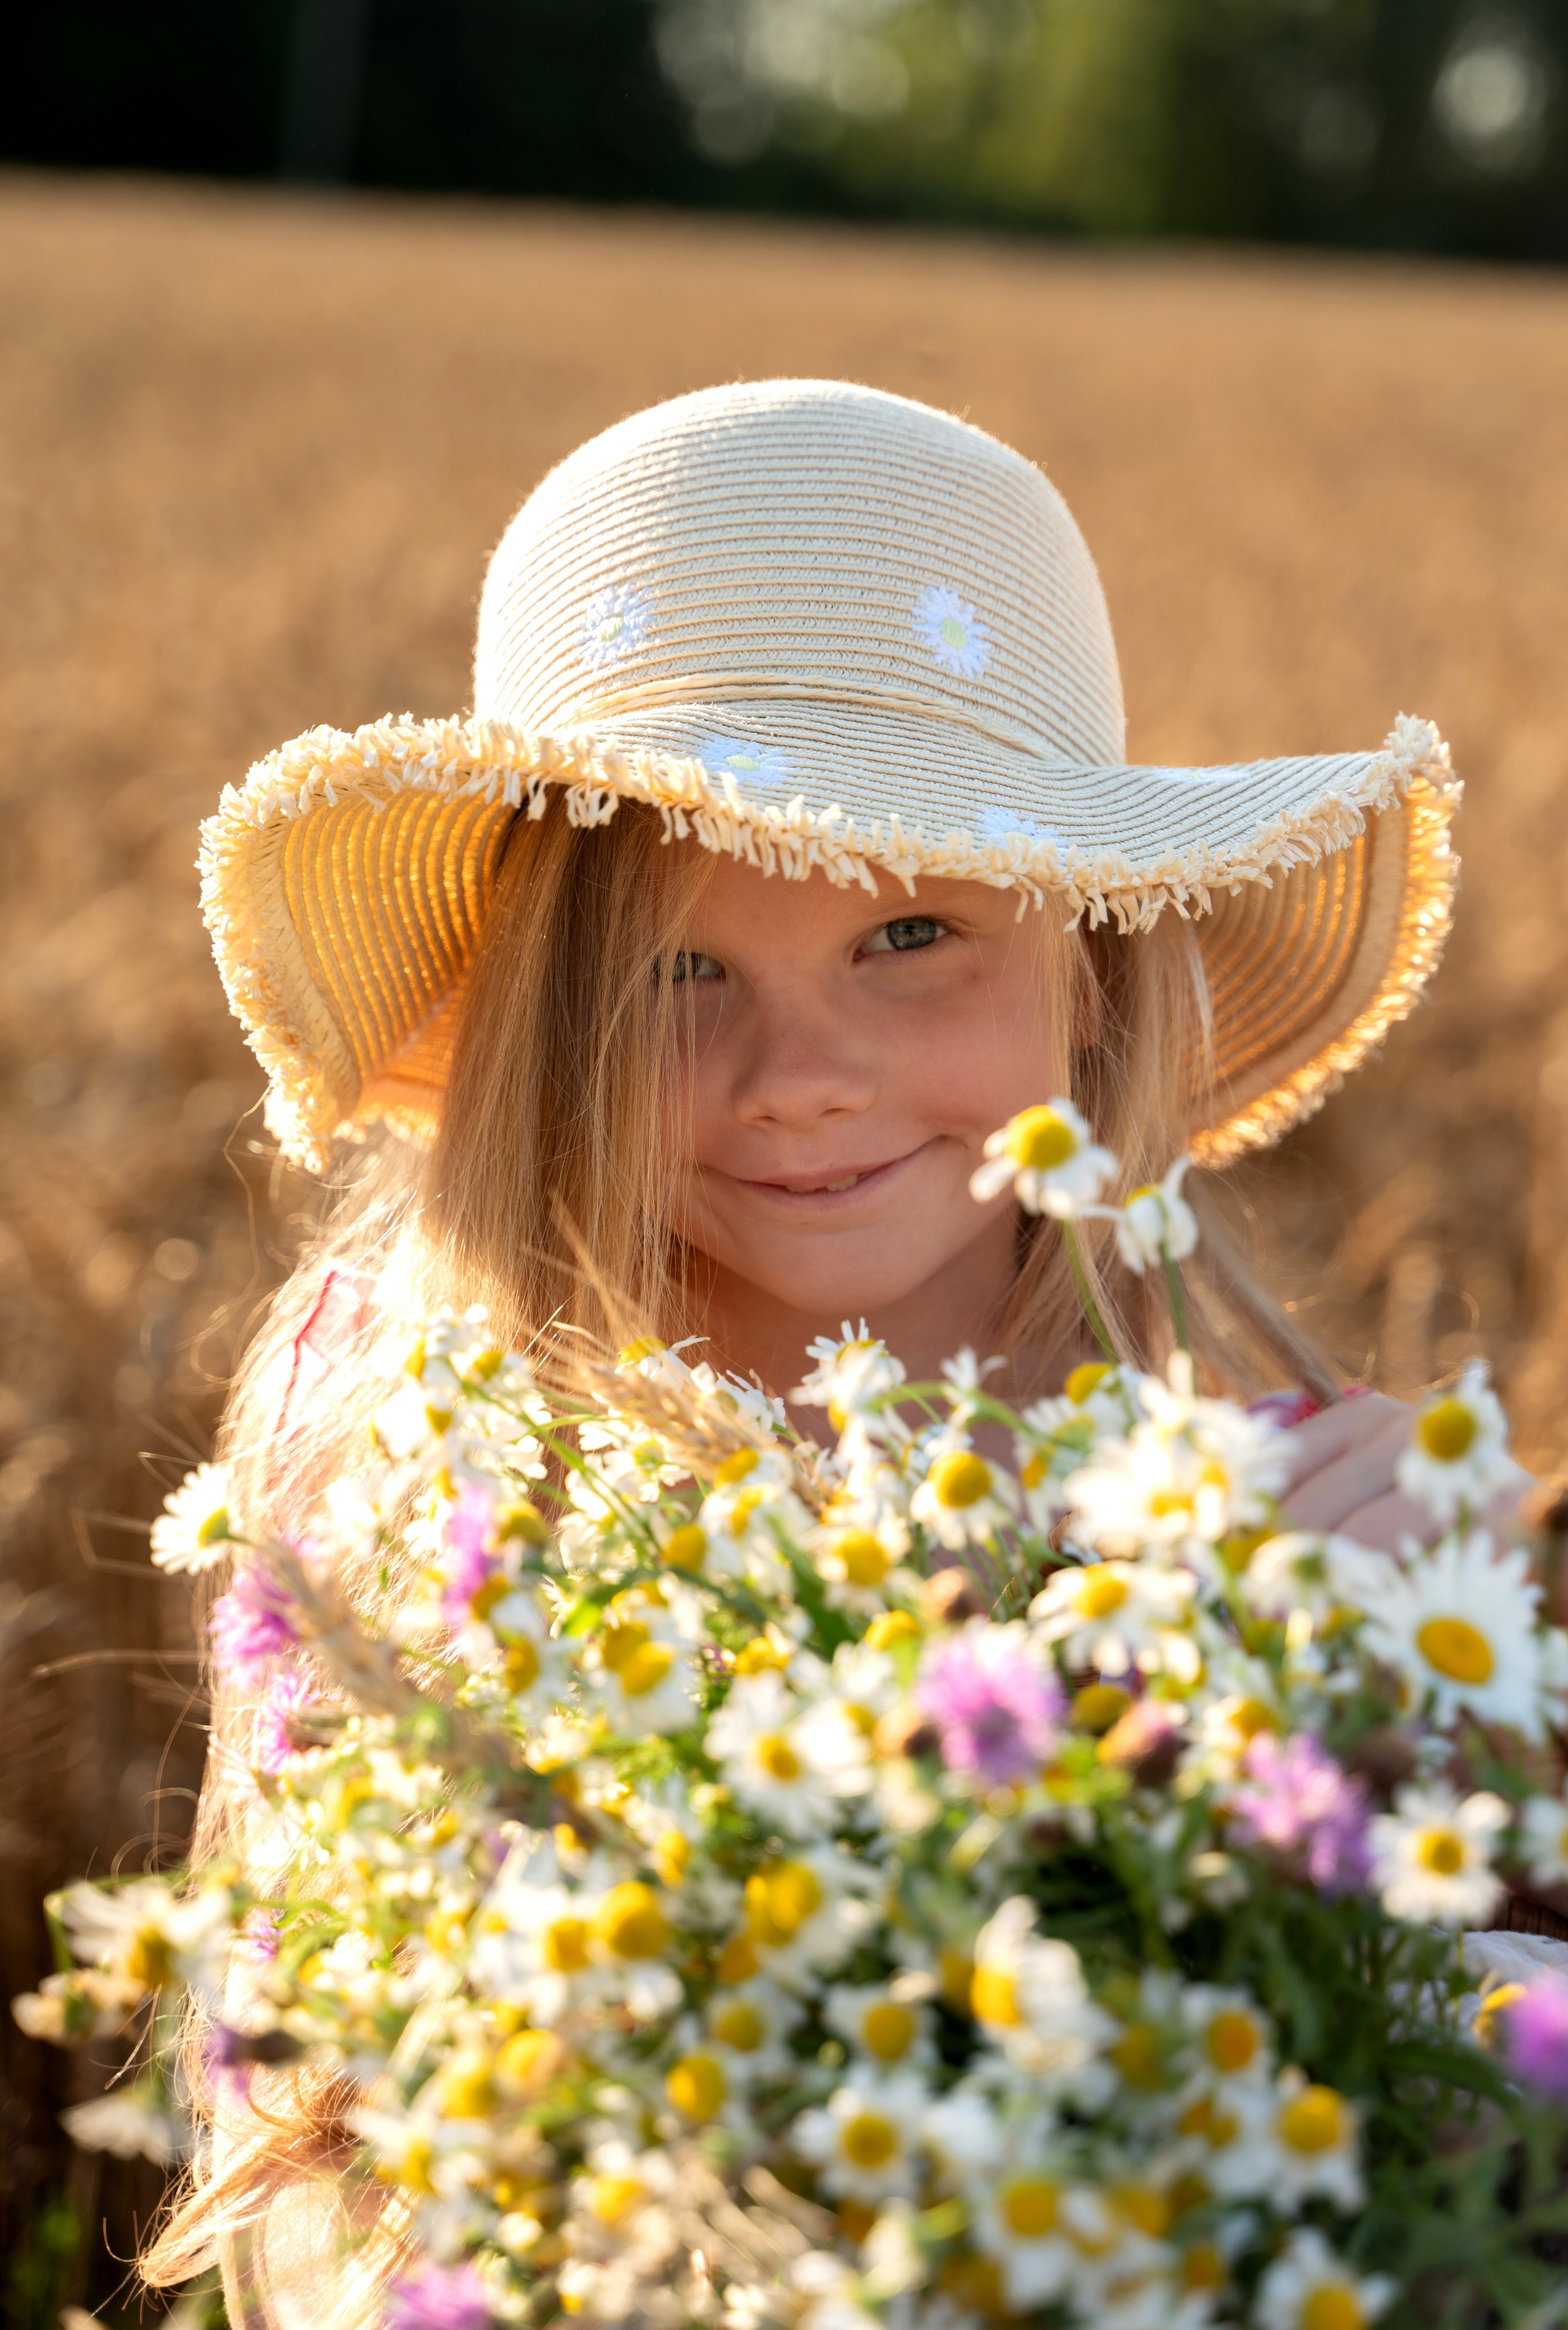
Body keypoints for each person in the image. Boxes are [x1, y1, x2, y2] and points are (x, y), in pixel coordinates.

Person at [144, 380, 1521, 2323]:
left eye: (910, 937)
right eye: (674, 973)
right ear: (550, 1018)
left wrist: (1361, 1758)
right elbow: (339, 2199)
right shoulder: (416, 1453)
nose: (797, 1086)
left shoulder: (1306, 1511)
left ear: (1095, 959)